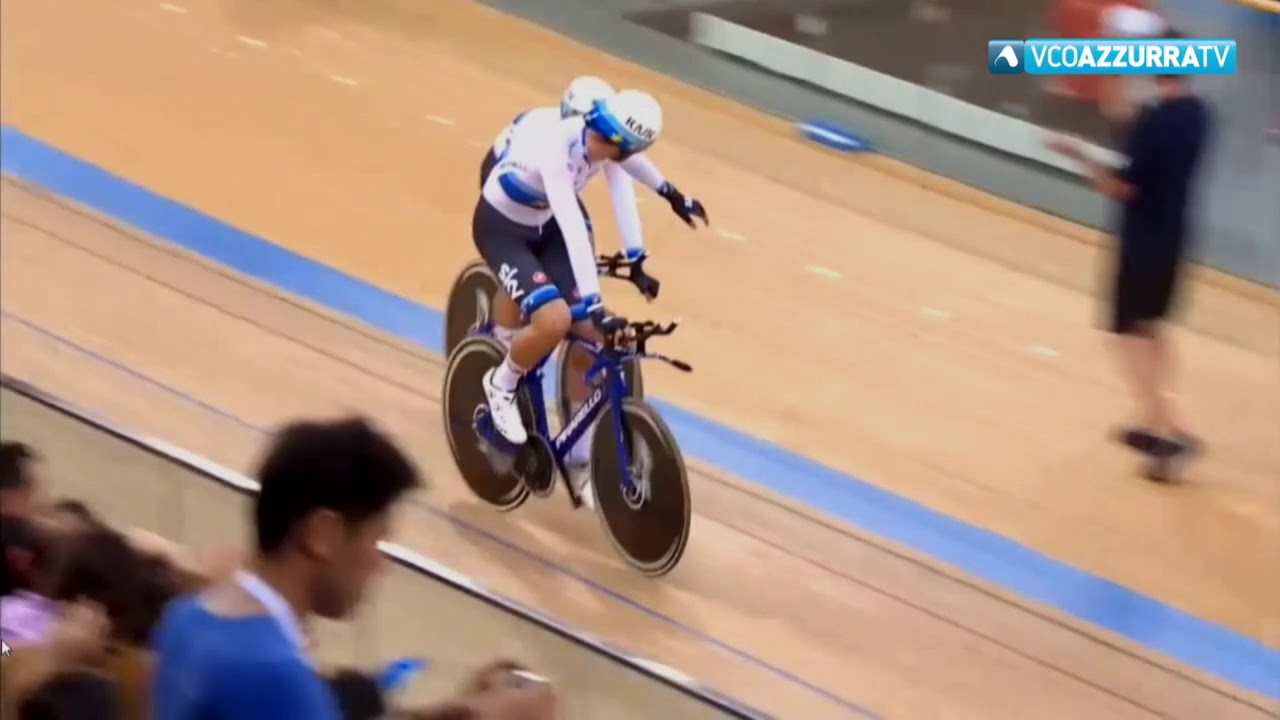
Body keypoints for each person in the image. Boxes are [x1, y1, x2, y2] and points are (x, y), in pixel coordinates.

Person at [474, 88, 708, 502]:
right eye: (597, 134)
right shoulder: (556, 145)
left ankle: (577, 457)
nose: (596, 143)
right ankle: (502, 382)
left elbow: (625, 187)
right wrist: (595, 304)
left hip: (543, 225)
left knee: (600, 335)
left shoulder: (612, 151)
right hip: (503, 228)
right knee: (555, 319)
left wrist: (665, 211)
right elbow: (571, 228)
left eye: (609, 143)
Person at [149, 417, 423, 719]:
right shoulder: (278, 678)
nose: (380, 566)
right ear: (321, 535)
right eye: (376, 540)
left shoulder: (186, 615)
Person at [1046, 29, 1211, 481]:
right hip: (1174, 237)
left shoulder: (1153, 123)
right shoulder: (1198, 114)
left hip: (1141, 241)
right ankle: (1159, 419)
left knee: (1124, 334)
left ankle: (1167, 431)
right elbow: (1127, 117)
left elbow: (1120, 187)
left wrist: (1078, 155)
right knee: (1151, 329)